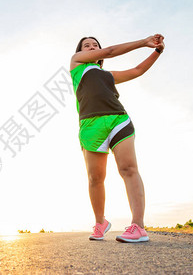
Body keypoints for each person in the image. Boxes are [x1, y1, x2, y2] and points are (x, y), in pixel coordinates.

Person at [70, 34, 165, 243]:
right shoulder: (77, 64)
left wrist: (157, 51)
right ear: (80, 51)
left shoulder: (108, 75)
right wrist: (142, 41)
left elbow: (137, 71)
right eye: (87, 46)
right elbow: (110, 51)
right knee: (96, 178)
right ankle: (100, 222)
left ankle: (138, 226)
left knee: (129, 169)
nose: (92, 47)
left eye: (95, 45)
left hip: (118, 120)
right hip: (90, 125)